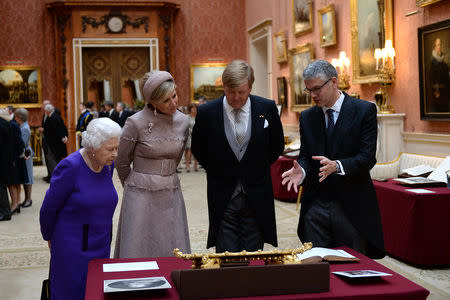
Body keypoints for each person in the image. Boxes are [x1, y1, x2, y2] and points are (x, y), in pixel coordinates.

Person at [281, 60, 385, 259]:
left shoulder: (364, 111)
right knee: (317, 267)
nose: (312, 95)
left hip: (351, 204)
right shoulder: (307, 117)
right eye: (308, 90)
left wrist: (337, 166)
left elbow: (367, 157)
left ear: (334, 82)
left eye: (317, 89)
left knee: (352, 265)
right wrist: (301, 170)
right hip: (315, 206)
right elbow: (306, 156)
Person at [191, 60, 285, 252]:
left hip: (257, 193)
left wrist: (255, 168)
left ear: (250, 87)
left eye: (241, 92)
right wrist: (220, 170)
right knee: (226, 254)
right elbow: (198, 148)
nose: (235, 98)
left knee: (254, 253)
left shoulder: (266, 108)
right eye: (230, 91)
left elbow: (276, 146)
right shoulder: (207, 112)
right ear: (223, 87)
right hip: (223, 193)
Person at [40, 118, 121, 300]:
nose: (115, 154)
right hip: (72, 246)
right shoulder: (70, 167)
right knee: (73, 292)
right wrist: (50, 237)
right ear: (93, 146)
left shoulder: (108, 165)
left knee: (96, 291)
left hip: (101, 242)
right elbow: (48, 208)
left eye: (117, 148)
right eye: (110, 149)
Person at [114, 70, 191, 258]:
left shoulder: (183, 121)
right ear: (152, 102)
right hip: (140, 193)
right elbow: (122, 160)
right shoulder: (135, 122)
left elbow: (177, 156)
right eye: (166, 100)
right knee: (139, 247)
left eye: (174, 96)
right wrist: (133, 185)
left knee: (172, 243)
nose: (173, 103)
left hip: (171, 189)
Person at [0, 109, 27, 215]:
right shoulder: (11, 124)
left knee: (13, 182)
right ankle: (16, 203)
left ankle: (15, 204)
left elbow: (17, 143)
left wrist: (16, 157)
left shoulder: (12, 125)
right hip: (13, 157)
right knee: (14, 182)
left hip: (14, 158)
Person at [14, 108, 34, 208]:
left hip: (26, 154)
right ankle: (26, 199)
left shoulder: (25, 128)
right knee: (25, 178)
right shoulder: (22, 126)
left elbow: (23, 143)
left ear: (19, 117)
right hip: (24, 154)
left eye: (16, 116)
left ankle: (28, 199)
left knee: (28, 178)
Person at [43, 104, 68, 181]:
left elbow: (55, 130)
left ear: (47, 111)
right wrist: (64, 136)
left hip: (53, 143)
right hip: (57, 143)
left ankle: (56, 177)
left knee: (52, 160)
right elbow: (63, 127)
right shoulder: (57, 116)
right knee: (56, 159)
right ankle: (59, 176)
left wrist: (62, 137)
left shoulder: (52, 118)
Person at [0, 109, 14, 221]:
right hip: (6, 161)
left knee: (1, 188)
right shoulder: (6, 123)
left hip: (2, 161)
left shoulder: (1, 124)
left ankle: (5, 212)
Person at [429, 38, 450, 112]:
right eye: (438, 45)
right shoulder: (433, 62)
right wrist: (436, 90)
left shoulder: (444, 63)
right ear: (435, 47)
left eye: (440, 44)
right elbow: (431, 80)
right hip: (437, 95)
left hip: (445, 95)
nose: (440, 46)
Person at [39, 100, 52, 182]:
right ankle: (48, 174)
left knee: (50, 158)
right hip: (44, 139)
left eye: (43, 105)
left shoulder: (51, 116)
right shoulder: (44, 115)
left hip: (49, 140)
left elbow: (51, 128)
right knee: (47, 158)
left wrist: (44, 129)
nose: (42, 106)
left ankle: (51, 175)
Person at [184, 103, 198, 172]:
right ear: (190, 109)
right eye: (192, 108)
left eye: (195, 108)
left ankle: (195, 165)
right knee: (189, 149)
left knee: (197, 150)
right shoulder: (187, 117)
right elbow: (185, 126)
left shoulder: (198, 116)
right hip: (189, 134)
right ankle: (187, 165)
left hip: (197, 135)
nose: (194, 109)